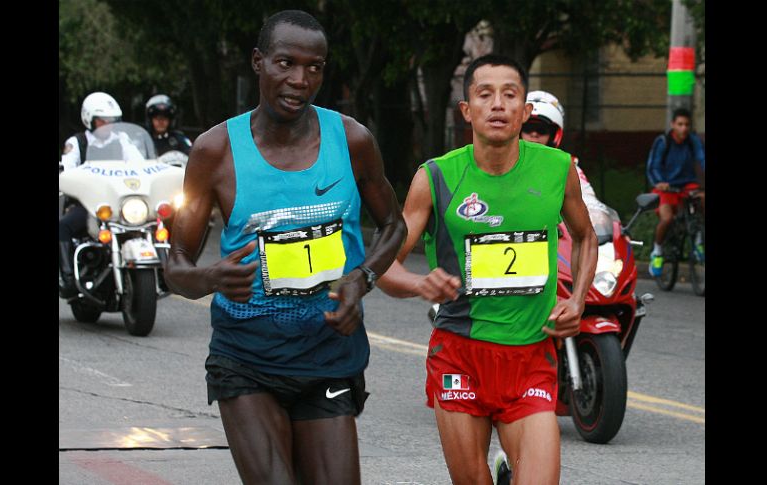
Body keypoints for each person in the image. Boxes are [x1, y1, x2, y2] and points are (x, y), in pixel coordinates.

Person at [163, 10, 406, 485]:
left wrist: (362, 279)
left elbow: (394, 225)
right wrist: (210, 278)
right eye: (285, 63)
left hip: (329, 352)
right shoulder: (216, 152)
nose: (299, 80)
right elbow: (176, 267)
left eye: (314, 67)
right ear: (258, 62)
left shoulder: (352, 140)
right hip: (247, 357)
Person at [377, 54, 597, 485]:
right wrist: (421, 283)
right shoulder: (437, 177)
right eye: (485, 94)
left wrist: (579, 298)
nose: (498, 104)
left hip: (531, 355)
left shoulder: (558, 169)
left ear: (525, 111)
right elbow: (383, 265)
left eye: (510, 94)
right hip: (460, 355)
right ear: (467, 110)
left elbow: (586, 236)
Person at [59, 91, 144, 298]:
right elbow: (66, 168)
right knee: (62, 227)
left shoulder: (123, 140)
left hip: (120, 204)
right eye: (102, 121)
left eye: (111, 121)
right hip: (88, 205)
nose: (107, 125)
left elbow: (141, 165)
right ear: (89, 119)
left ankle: (166, 268)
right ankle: (68, 278)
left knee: (155, 221)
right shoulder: (77, 143)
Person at [646, 107, 705, 277]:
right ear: (673, 125)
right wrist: (660, 182)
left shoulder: (692, 140)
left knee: (703, 199)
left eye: (687, 124)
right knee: (667, 218)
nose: (684, 128)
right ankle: (657, 252)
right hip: (665, 187)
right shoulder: (663, 142)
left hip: (687, 186)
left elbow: (702, 158)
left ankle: (698, 239)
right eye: (680, 124)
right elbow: (653, 166)